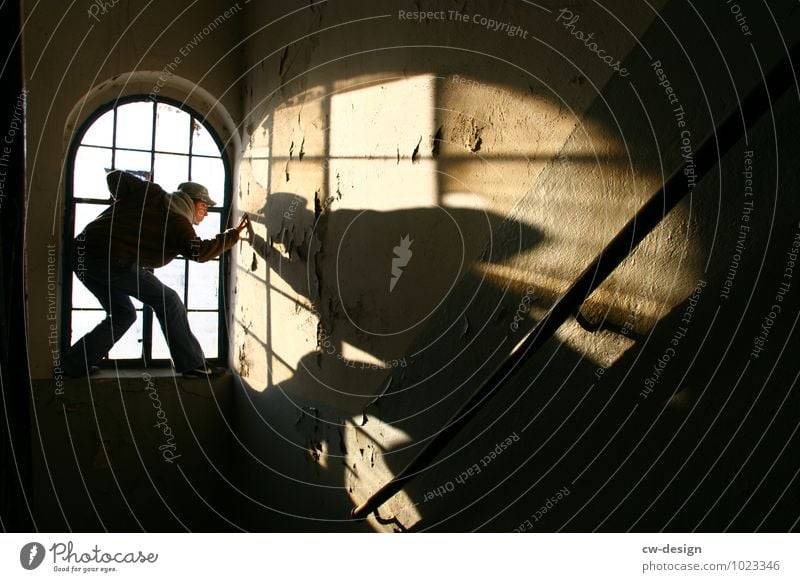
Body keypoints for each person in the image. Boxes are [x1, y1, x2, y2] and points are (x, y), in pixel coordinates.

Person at [62, 169, 250, 378]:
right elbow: (200, 251)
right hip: (110, 260)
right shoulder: (178, 223)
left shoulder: (151, 193)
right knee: (168, 300)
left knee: (123, 315)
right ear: (190, 201)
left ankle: (73, 366)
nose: (206, 213)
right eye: (204, 206)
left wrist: (127, 208)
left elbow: (114, 177)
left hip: (80, 254)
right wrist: (231, 236)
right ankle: (193, 364)